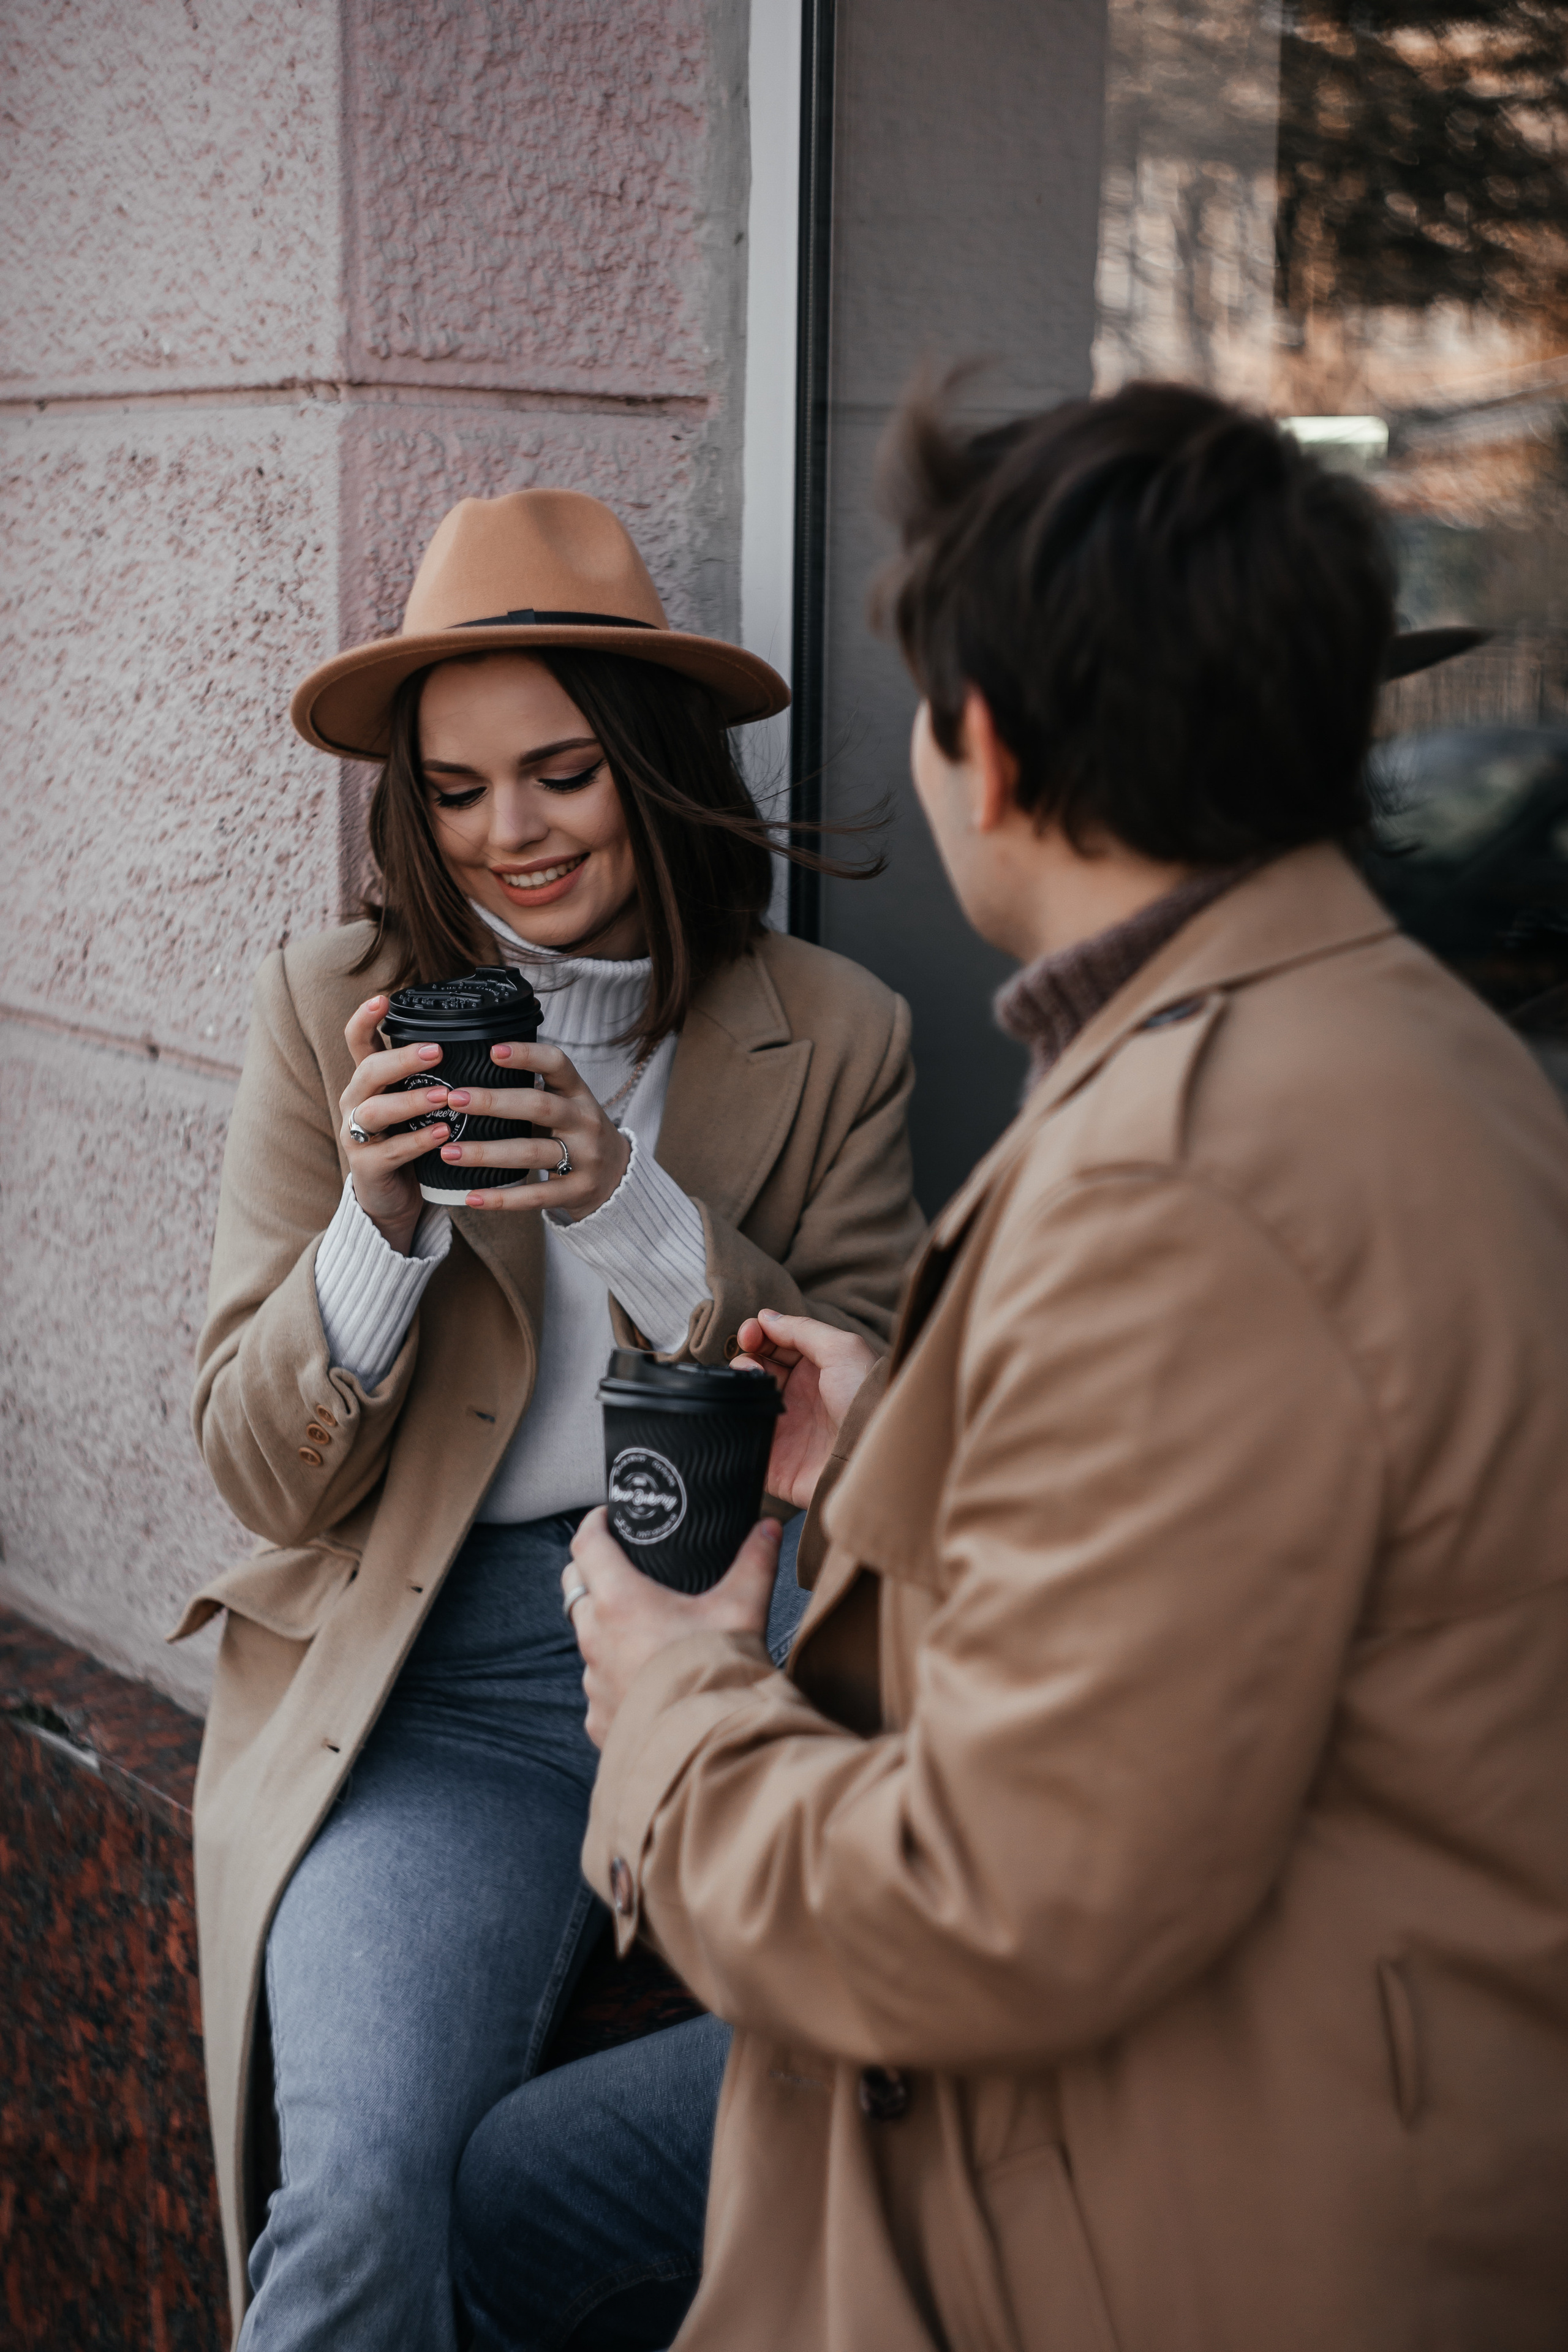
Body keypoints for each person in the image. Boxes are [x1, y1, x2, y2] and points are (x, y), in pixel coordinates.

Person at [485, 383, 1568, 2350]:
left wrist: (670, 1700)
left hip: (1179, 2199)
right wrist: (910, 1442)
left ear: (984, 745)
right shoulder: (1405, 1041)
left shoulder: (1191, 1162)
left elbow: (980, 1909)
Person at [172, 486, 924, 2349]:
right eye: (453, 788)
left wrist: (631, 1205)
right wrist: (379, 1227)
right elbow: (258, 1470)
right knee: (351, 2204)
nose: (507, 834)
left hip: (753, 1664)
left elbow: (900, 1434)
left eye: (561, 773)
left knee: (821, 2151)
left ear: (654, 767)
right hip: (447, 1689)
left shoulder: (832, 1031)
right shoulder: (331, 1008)